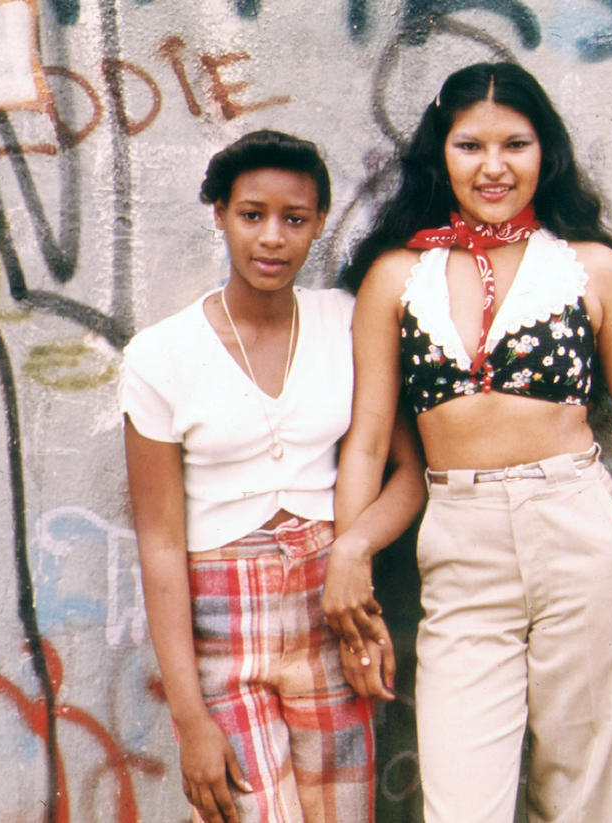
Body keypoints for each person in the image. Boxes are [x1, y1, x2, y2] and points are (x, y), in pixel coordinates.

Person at [326, 63, 612, 823]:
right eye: (470, 145)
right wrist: (353, 562)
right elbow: (368, 441)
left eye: (516, 143)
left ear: (545, 152)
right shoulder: (396, 275)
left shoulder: (591, 267)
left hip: (579, 531)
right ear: (440, 155)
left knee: (576, 800)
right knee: (462, 805)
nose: (494, 166)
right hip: (460, 545)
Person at [120, 129, 423, 823]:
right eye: (252, 214)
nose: (272, 238)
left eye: (294, 219)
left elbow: (409, 473)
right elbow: (161, 543)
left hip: (332, 609)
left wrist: (355, 551)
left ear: (318, 223)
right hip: (224, 623)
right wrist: (190, 717)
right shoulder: (160, 356)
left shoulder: (346, 322)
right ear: (220, 213)